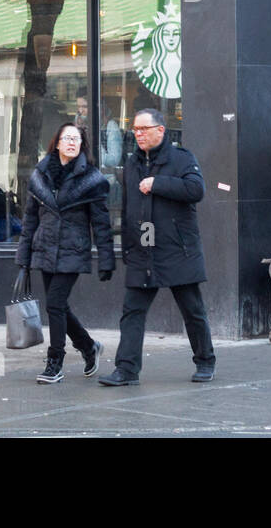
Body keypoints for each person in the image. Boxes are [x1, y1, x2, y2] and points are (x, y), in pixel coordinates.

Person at [99, 108, 215, 386]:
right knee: (132, 312)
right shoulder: (131, 165)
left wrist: (158, 183)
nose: (138, 134)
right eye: (135, 130)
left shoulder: (181, 159)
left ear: (160, 130)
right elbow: (127, 209)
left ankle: (205, 361)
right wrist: (127, 247)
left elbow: (196, 190)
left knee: (192, 310)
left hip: (178, 250)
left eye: (144, 129)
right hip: (143, 251)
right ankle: (126, 370)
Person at [16, 123, 115, 384]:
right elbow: (29, 219)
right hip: (45, 248)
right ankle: (88, 346)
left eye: (77, 139)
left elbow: (102, 224)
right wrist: (23, 257)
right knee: (58, 307)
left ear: (82, 146)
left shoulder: (91, 180)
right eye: (67, 138)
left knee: (55, 305)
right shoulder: (40, 174)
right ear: (57, 143)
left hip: (73, 250)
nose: (71, 142)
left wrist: (106, 259)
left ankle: (54, 363)